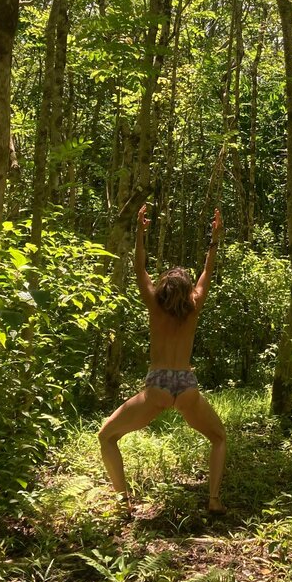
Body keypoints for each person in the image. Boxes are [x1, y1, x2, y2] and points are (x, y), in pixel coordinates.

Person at [98, 205, 227, 515]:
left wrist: (141, 233)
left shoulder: (154, 304)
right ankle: (213, 500)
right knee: (219, 438)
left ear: (164, 286)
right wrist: (214, 239)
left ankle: (123, 503)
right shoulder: (195, 305)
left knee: (106, 436)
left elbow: (139, 269)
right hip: (186, 384)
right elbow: (207, 273)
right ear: (188, 289)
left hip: (157, 384)